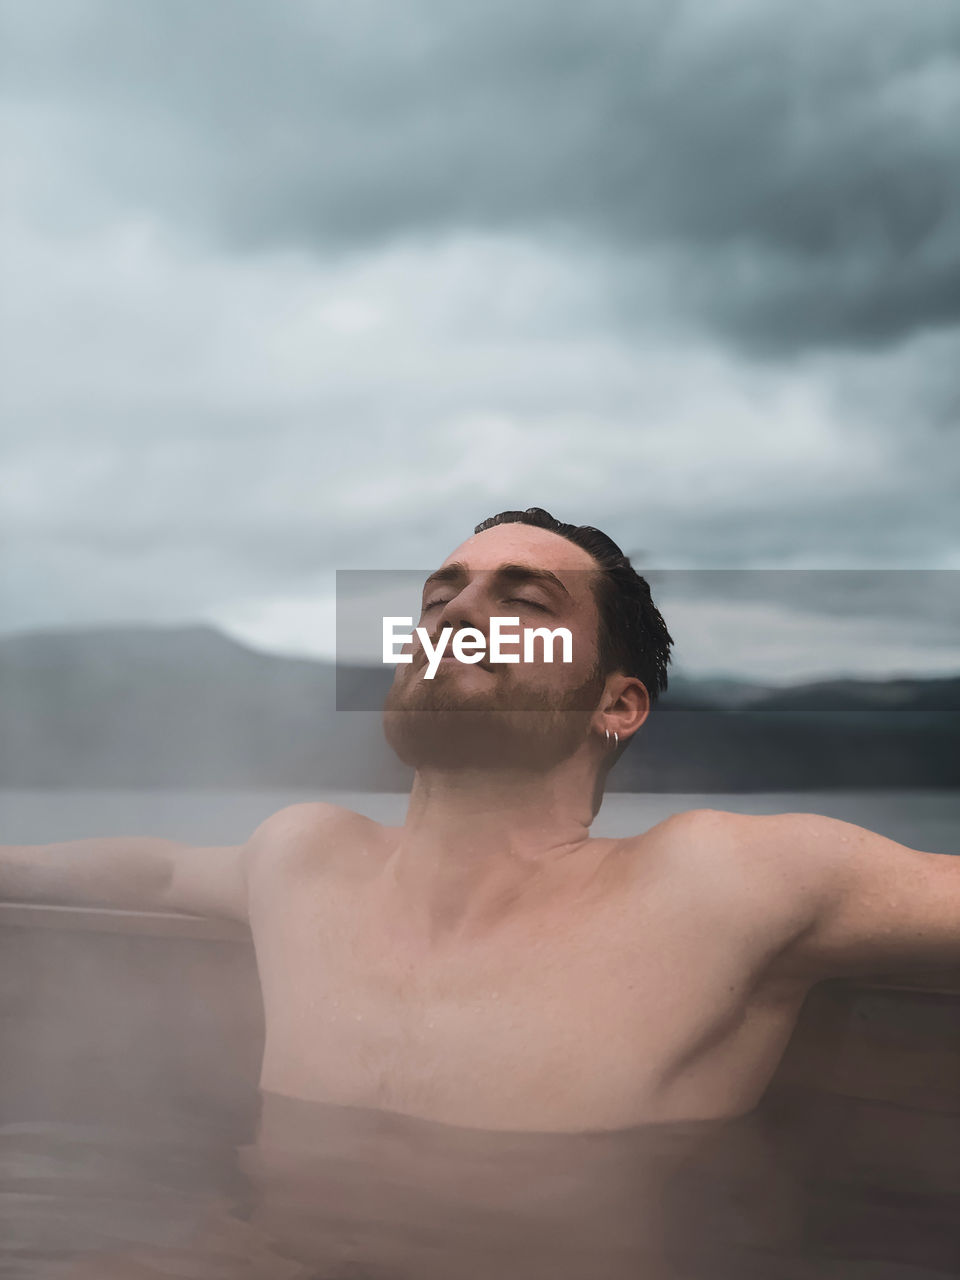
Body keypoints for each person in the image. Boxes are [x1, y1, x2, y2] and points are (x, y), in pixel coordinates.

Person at [2, 506, 959, 1135]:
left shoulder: (724, 883)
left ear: (616, 706)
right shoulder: (305, 859)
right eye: (439, 594)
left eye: (524, 600)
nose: (457, 612)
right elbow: (152, 875)